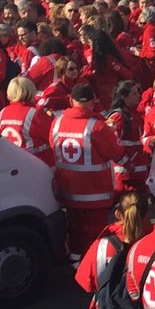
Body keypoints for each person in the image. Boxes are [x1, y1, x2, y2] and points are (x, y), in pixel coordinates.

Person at [50, 80, 128, 260]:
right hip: (95, 194)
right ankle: (93, 269)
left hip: (68, 191)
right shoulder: (97, 126)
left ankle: (75, 263)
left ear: (71, 100)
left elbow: (53, 147)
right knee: (95, 238)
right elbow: (115, 152)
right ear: (93, 102)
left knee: (75, 232)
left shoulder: (57, 122)